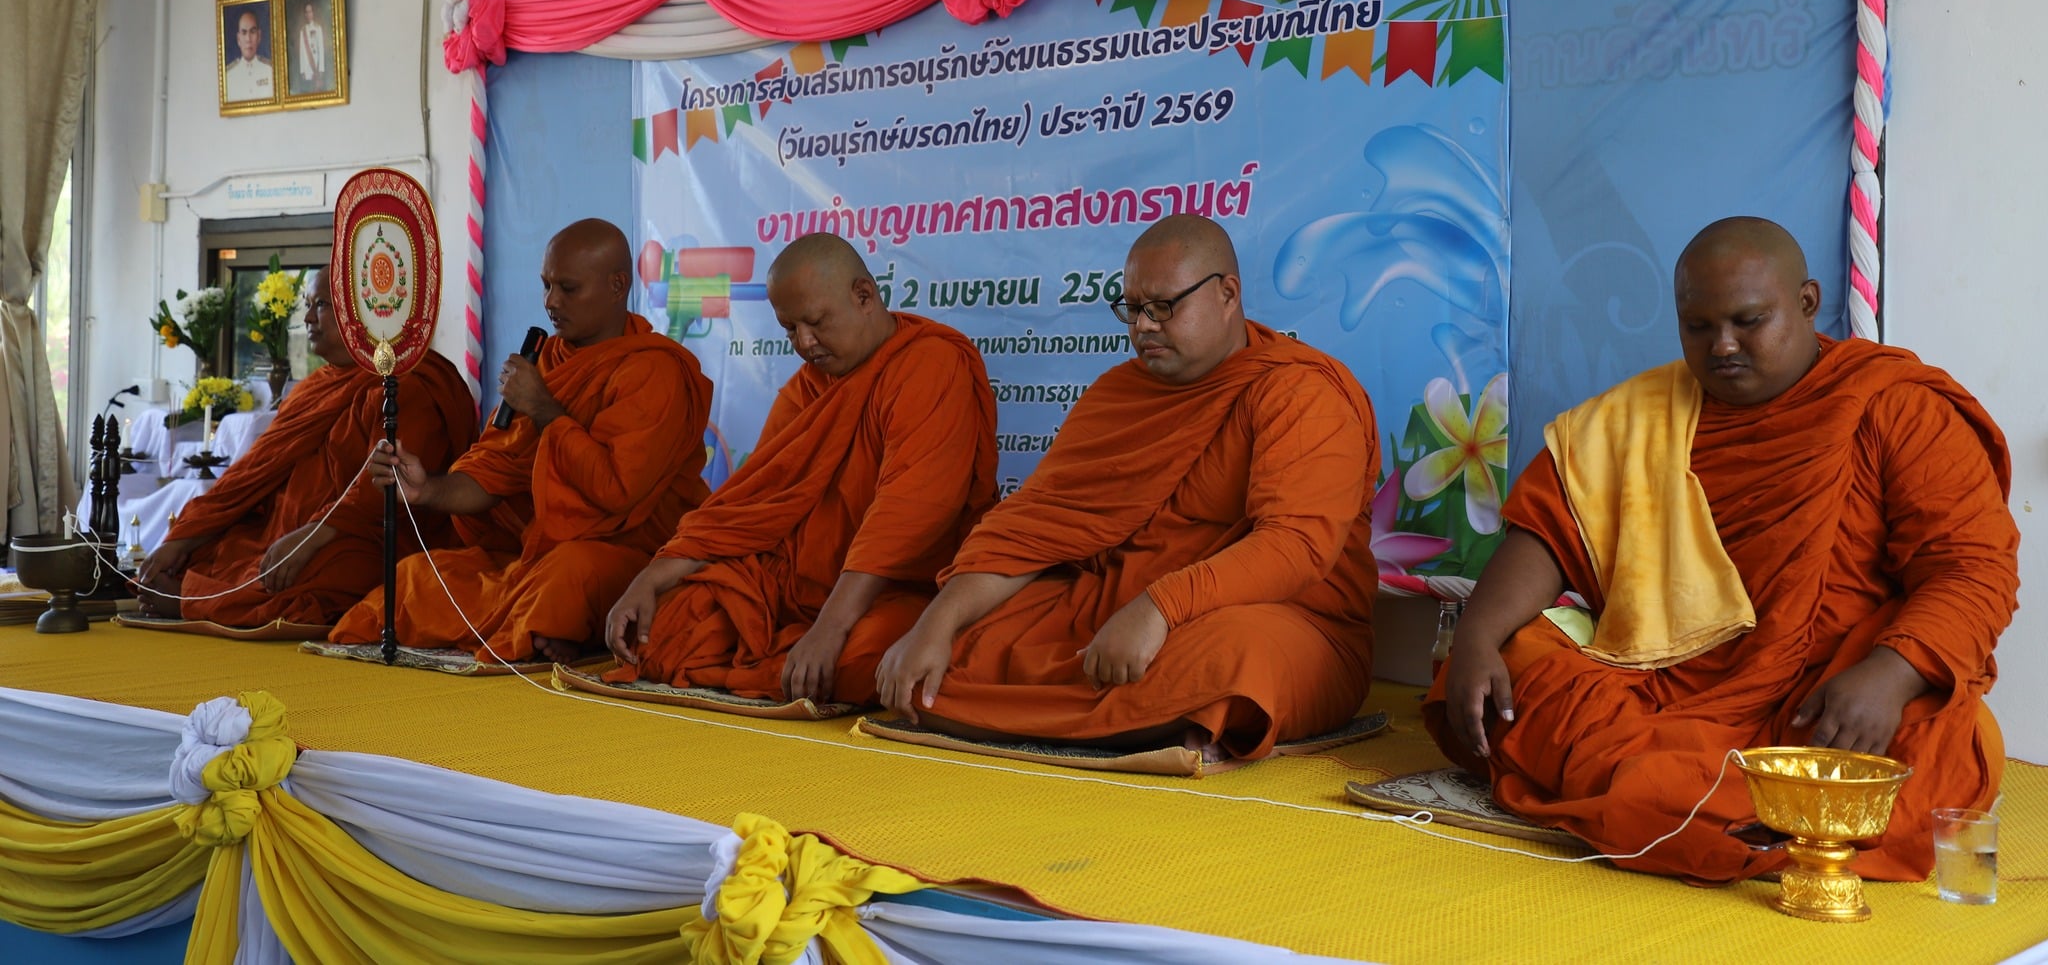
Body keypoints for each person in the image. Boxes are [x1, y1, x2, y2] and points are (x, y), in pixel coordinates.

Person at [1426, 216, 2018, 884]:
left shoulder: (1896, 408)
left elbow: (1973, 568)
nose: (1723, 346)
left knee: (1945, 743)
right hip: (1665, 686)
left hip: (1828, 701)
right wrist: (1477, 636)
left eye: (1748, 320)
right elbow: (1548, 530)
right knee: (1512, 667)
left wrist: (1891, 674)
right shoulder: (1640, 415)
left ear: (1807, 302)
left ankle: (1683, 808)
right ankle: (1769, 824)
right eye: (1699, 327)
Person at [874, 214, 1380, 761]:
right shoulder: (1119, 393)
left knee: (1234, 659)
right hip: (1111, 614)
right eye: (1132, 309)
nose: (1143, 326)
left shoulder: (1300, 393)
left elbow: (1294, 547)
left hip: (1273, 619)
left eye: (1163, 306)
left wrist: (1158, 608)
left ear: (1228, 294)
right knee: (928, 643)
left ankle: (1041, 714)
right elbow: (1029, 531)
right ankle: (1145, 724)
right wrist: (939, 623)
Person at [604, 233, 997, 708]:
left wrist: (831, 628)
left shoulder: (931, 364)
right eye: (790, 329)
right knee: (662, 629)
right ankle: (782, 664)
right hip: (791, 588)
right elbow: (749, 505)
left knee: (870, 658)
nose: (805, 343)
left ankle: (779, 663)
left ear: (864, 296)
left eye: (816, 322)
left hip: (891, 591)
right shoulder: (808, 388)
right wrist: (650, 579)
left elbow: (911, 515)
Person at [329, 219, 712, 665]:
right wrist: (426, 488)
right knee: (415, 576)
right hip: (531, 555)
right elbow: (496, 471)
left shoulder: (655, 371)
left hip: (625, 554)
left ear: (617, 285)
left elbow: (615, 489)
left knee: (568, 577)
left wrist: (545, 409)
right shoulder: (544, 362)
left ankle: (554, 625)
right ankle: (551, 630)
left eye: (568, 288)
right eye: (546, 285)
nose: (551, 301)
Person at [134, 271, 476, 627]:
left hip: (362, 535)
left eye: (321, 305)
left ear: (362, 312)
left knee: (321, 572)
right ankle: (204, 595)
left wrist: (312, 535)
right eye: (307, 305)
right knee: (214, 548)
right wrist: (184, 537)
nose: (308, 318)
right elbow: (252, 472)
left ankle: (197, 601)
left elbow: (387, 486)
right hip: (287, 529)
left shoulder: (410, 382)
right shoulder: (316, 386)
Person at [223, 8, 273, 104]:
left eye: (252, 32)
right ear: (238, 39)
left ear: (259, 36)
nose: (248, 39)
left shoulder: (270, 70)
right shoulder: (228, 76)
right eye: (244, 33)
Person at [295, 1, 331, 94]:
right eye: (307, 12)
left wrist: (321, 69)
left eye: (310, 11)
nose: (309, 14)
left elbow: (321, 49)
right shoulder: (302, 31)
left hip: (316, 66)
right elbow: (302, 52)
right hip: (307, 68)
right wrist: (302, 70)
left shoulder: (318, 28)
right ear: (305, 14)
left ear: (313, 13)